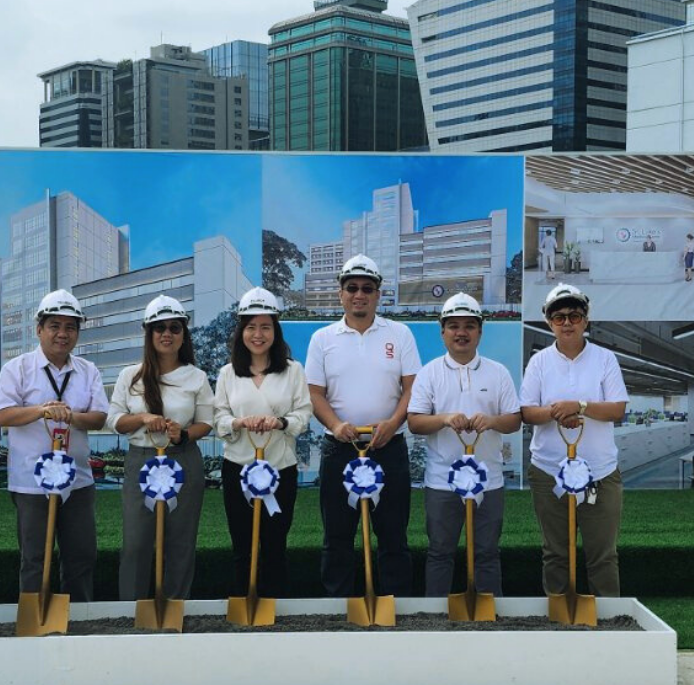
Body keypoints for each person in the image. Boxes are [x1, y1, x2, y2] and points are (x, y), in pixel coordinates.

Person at [306, 254, 420, 597]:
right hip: (340, 449)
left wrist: (392, 422)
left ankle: (394, 607)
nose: (360, 295)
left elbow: (412, 388)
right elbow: (315, 394)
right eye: (352, 288)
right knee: (337, 537)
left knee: (393, 536)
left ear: (378, 293)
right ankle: (338, 609)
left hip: (389, 448)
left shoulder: (399, 334)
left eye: (367, 288)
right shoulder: (322, 339)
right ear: (341, 293)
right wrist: (337, 425)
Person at [0, 289, 109, 602]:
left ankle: (79, 618)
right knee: (34, 557)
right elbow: (1, 414)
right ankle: (34, 618)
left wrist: (71, 417)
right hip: (31, 482)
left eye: (71, 327)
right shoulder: (17, 368)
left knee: (81, 555)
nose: (62, 334)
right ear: (38, 329)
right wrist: (42, 410)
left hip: (78, 480)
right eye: (54, 325)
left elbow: (98, 418)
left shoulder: (88, 370)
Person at [407, 293, 522, 598]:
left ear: (480, 331)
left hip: (490, 480)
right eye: (454, 326)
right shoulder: (429, 373)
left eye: (470, 326)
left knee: (487, 552)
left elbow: (514, 420)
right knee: (440, 552)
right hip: (442, 482)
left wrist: (493, 421)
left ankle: (487, 619)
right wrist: (444, 419)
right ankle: (435, 619)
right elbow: (415, 422)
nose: (462, 333)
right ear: (442, 331)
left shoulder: (498, 372)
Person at [521, 283, 630, 598]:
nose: (567, 322)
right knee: (555, 553)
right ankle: (560, 620)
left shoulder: (605, 359)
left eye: (574, 315)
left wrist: (580, 406)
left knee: (603, 554)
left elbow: (617, 409)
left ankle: (609, 622)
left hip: (600, 474)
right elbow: (527, 412)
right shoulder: (539, 362)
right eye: (558, 317)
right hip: (548, 471)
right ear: (548, 322)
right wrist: (558, 412)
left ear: (586, 320)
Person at [107, 295, 213, 601]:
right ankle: (130, 611)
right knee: (137, 542)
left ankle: (173, 608)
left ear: (183, 335)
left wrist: (182, 434)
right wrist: (143, 417)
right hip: (141, 461)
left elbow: (206, 422)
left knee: (180, 541)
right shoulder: (131, 375)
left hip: (183, 461)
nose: (167, 334)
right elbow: (115, 420)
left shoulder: (197, 377)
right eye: (159, 328)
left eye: (174, 328)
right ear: (148, 333)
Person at [212, 287, 311, 599]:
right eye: (251, 327)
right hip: (237, 469)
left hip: (281, 469)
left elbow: (303, 414)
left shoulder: (293, 370)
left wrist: (280, 422)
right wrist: (239, 422)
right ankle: (244, 607)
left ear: (275, 330)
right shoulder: (227, 373)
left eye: (265, 326)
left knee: (274, 545)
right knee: (242, 546)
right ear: (241, 331)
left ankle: (274, 610)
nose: (258, 334)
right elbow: (219, 419)